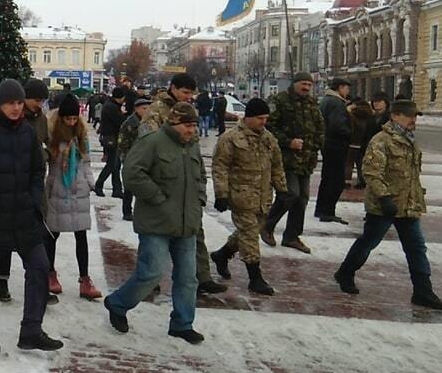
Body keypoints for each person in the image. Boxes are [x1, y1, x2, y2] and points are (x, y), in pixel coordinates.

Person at [0, 79, 63, 354]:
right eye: (11, 103)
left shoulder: (27, 134)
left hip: (23, 215)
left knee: (40, 267)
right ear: (0, 105)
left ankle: (31, 329)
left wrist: (31, 199)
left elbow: (36, 170)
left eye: (19, 102)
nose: (16, 108)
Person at [104, 102, 206, 344]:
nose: (192, 130)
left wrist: (200, 196)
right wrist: (156, 196)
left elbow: (200, 174)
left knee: (188, 277)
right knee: (151, 273)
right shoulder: (152, 142)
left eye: (194, 125)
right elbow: (131, 173)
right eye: (187, 125)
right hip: (156, 222)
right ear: (174, 123)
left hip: (186, 223)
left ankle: (182, 323)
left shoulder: (192, 146)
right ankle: (117, 304)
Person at [334, 100, 442, 310]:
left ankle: (423, 291)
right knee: (368, 242)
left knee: (416, 248)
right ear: (395, 116)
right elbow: (371, 172)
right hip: (384, 206)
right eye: (409, 116)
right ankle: (345, 272)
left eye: (415, 116)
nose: (413, 120)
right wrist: (385, 198)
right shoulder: (381, 140)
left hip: (408, 205)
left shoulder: (410, 140)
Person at [139, 73, 226, 294]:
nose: (188, 97)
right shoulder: (156, 111)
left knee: (194, 229)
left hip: (187, 181)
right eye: (185, 92)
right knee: (154, 235)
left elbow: (194, 147)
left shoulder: (189, 112)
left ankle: (202, 276)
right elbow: (146, 146)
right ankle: (148, 280)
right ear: (173, 88)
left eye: (191, 93)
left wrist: (200, 183)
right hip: (164, 181)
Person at [209, 98, 287, 295]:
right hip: (241, 196)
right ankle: (255, 277)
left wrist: (282, 189)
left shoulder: (268, 138)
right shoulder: (231, 138)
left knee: (248, 232)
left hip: (263, 196)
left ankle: (222, 254)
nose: (263, 122)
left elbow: (277, 165)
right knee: (250, 234)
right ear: (249, 117)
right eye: (260, 118)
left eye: (266, 118)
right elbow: (220, 166)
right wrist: (221, 194)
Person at [45, 95, 102, 301]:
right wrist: (48, 183)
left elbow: (85, 161)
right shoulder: (52, 134)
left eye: (74, 118)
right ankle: (50, 273)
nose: (71, 122)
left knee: (81, 235)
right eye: (67, 118)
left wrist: (90, 182)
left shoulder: (81, 135)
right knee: (52, 233)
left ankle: (84, 279)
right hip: (58, 188)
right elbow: (47, 161)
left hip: (78, 190)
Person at [260, 72, 325, 253]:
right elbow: (269, 127)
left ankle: (292, 236)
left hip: (306, 159)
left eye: (309, 85)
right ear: (294, 84)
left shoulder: (312, 104)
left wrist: (317, 146)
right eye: (303, 84)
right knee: (290, 194)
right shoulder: (280, 101)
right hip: (285, 159)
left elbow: (320, 127)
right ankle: (267, 225)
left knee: (302, 198)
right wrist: (288, 142)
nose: (306, 87)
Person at [315, 78, 353, 225]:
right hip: (336, 145)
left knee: (327, 178)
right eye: (346, 88)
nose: (348, 91)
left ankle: (321, 208)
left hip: (328, 145)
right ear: (340, 88)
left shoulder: (326, 100)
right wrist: (350, 133)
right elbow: (338, 126)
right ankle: (327, 211)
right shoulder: (337, 103)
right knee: (336, 181)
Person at [117, 97, 153, 221]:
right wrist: (127, 160)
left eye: (149, 108)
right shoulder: (129, 124)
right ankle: (127, 211)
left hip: (147, 159)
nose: (147, 111)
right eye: (144, 108)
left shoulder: (150, 123)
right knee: (129, 187)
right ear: (136, 109)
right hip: (132, 159)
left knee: (146, 186)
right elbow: (122, 144)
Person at [94, 86, 126, 198]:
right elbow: (120, 121)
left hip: (111, 137)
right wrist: (124, 115)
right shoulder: (111, 107)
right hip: (110, 138)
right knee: (112, 164)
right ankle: (99, 184)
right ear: (119, 97)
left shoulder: (111, 105)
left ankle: (117, 189)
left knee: (116, 165)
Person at [348, 98, 374, 189]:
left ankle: (346, 182)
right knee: (361, 164)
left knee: (348, 163)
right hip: (363, 142)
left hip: (352, 142)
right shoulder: (370, 114)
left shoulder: (352, 114)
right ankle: (362, 181)